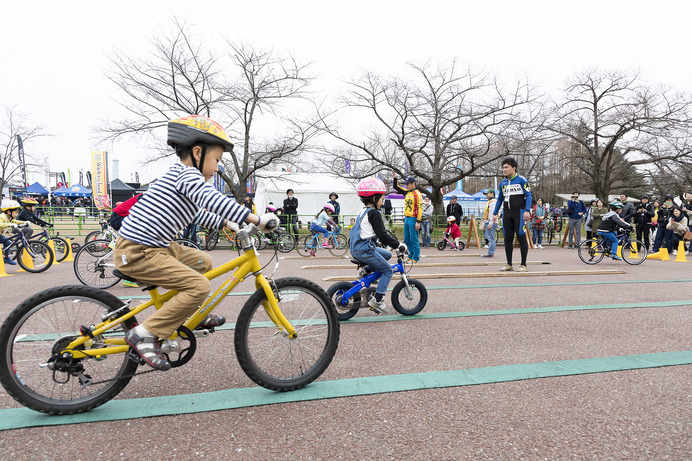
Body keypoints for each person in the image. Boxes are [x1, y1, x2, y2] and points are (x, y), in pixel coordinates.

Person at [114, 115, 278, 371]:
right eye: (216, 160)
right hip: (139, 251)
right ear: (198, 152)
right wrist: (254, 219)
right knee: (198, 286)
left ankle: (188, 314)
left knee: (204, 261)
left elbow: (196, 213)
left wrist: (227, 224)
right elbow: (207, 197)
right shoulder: (187, 175)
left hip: (157, 246)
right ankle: (145, 334)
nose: (217, 168)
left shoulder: (182, 179)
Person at [350, 177, 406, 314]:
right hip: (365, 249)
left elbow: (371, 232)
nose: (383, 201)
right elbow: (382, 234)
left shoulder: (363, 211)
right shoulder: (374, 213)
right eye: (381, 198)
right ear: (374, 198)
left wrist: (387, 242)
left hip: (358, 247)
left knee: (386, 254)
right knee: (387, 270)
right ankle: (378, 300)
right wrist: (398, 244)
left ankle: (365, 272)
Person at [492, 157, 532, 271]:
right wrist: (495, 213)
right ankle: (509, 264)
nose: (504, 170)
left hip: (519, 212)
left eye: (506, 167)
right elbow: (499, 199)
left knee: (521, 236)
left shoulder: (522, 180)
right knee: (508, 238)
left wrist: (527, 210)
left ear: (514, 168)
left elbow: (529, 195)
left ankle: (523, 264)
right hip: (506, 213)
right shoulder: (503, 183)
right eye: (503, 167)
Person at [392, 175, 423, 263]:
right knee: (407, 239)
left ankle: (416, 258)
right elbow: (396, 187)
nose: (406, 186)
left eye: (408, 184)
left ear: (413, 184)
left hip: (413, 218)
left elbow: (420, 208)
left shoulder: (417, 194)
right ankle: (410, 256)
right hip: (407, 218)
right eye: (406, 184)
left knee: (414, 239)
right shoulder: (407, 192)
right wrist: (395, 178)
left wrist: (418, 221)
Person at [1, 199, 32, 265]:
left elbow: (15, 221)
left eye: (18, 212)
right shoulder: (2, 216)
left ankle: (6, 258)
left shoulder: (9, 217)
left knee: (7, 243)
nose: (17, 214)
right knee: (7, 242)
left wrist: (24, 222)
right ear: (9, 211)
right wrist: (9, 224)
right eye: (16, 212)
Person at [481, 189, 497, 258]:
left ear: (492, 194)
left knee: (491, 238)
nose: (486, 195)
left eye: (488, 194)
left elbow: (492, 214)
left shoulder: (492, 202)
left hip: (491, 222)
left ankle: (490, 253)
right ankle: (490, 252)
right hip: (489, 222)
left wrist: (490, 223)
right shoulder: (490, 201)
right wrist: (485, 223)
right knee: (490, 238)